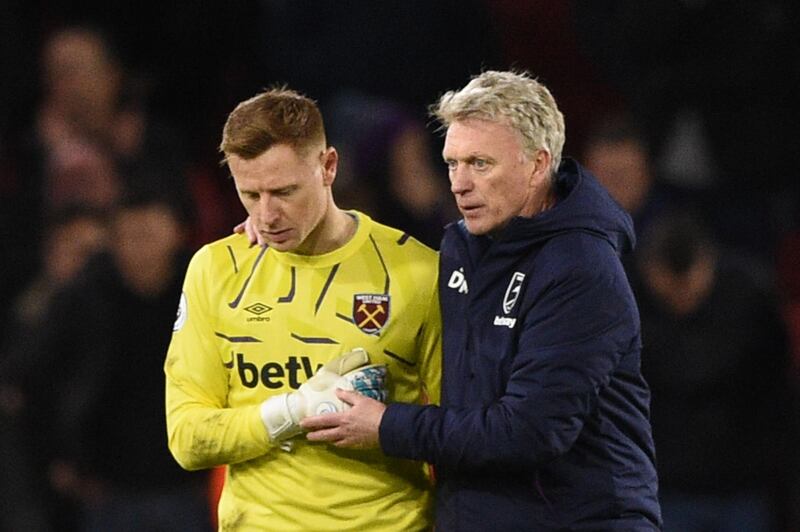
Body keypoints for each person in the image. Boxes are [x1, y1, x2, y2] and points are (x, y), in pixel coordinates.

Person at [302, 70, 662, 530]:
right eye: (452, 163)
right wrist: (286, 234)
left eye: (480, 164)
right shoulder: (462, 247)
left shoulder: (581, 269)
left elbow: (529, 432)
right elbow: (383, 267)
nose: (458, 183)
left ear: (537, 165)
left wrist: (387, 425)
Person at [164, 87, 442, 530]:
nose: (268, 215)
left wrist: (385, 423)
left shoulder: (419, 273)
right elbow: (187, 439)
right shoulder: (215, 269)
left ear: (328, 165)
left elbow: (459, 432)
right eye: (250, 194)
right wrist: (293, 412)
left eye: (284, 191)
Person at [631, 209, 794, 531]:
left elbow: (778, 388)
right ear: (649, 269)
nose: (681, 296)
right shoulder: (625, 303)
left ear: (708, 262)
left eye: (688, 284)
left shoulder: (750, 299)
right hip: (665, 486)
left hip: (742, 486)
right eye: (669, 285)